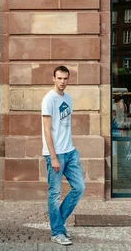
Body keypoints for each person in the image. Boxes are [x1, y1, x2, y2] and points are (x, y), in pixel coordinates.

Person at [42, 66, 85, 246]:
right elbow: (46, 129)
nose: (62, 82)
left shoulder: (67, 98)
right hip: (56, 153)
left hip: (70, 151)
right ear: (53, 78)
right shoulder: (48, 99)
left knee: (79, 187)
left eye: (65, 78)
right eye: (59, 78)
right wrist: (53, 157)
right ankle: (57, 231)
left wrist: (69, 149)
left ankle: (57, 222)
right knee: (54, 194)